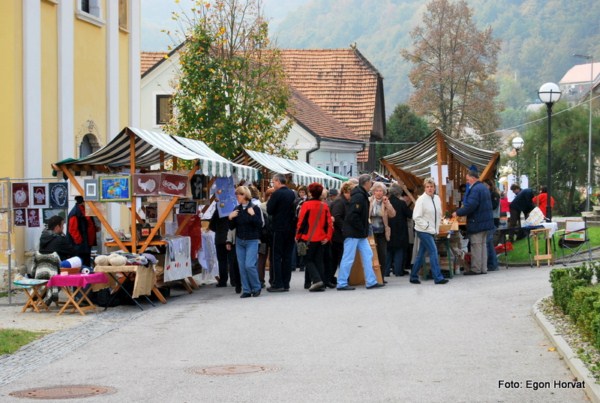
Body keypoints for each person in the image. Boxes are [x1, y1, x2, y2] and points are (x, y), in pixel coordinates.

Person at [336, 174, 385, 291]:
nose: (371, 185)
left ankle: (371, 281)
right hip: (355, 233)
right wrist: (362, 228)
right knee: (350, 257)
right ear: (366, 183)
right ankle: (342, 283)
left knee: (367, 255)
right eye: (371, 183)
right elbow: (353, 216)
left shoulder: (359, 195)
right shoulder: (359, 196)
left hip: (358, 233)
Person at [453, 171, 494, 275]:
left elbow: (471, 205)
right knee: (483, 245)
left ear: (473, 178)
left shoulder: (475, 189)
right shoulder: (484, 188)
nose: (467, 182)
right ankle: (483, 268)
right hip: (486, 221)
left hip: (477, 221)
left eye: (468, 180)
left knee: (476, 245)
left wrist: (457, 212)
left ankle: (476, 269)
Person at [410, 178, 449, 285]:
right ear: (425, 188)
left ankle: (413, 276)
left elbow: (439, 213)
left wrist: (436, 227)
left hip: (431, 230)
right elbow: (416, 217)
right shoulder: (421, 200)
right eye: (427, 187)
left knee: (421, 253)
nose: (430, 188)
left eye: (431, 186)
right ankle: (438, 277)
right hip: (423, 230)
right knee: (433, 251)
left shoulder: (437, 198)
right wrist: (427, 226)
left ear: (434, 187)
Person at [296, 183, 333, 292]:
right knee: (318, 260)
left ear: (310, 193)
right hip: (321, 237)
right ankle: (320, 282)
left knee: (307, 259)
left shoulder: (306, 205)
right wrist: (328, 237)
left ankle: (317, 280)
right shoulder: (324, 205)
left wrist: (297, 236)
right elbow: (329, 223)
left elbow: (301, 223)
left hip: (307, 237)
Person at [228, 186, 262, 298]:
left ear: (245, 195)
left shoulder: (255, 208)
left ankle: (256, 287)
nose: (237, 196)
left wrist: (252, 215)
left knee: (249, 265)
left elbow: (259, 224)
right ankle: (246, 290)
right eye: (236, 194)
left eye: (239, 194)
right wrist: (230, 218)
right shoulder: (236, 209)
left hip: (252, 240)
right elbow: (232, 227)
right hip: (240, 241)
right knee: (242, 267)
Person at [266, 173, 296, 292]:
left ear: (278, 181)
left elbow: (270, 210)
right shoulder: (292, 193)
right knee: (287, 256)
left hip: (278, 228)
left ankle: (277, 283)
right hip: (290, 228)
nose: (273, 184)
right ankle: (286, 283)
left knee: (276, 256)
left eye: (273, 182)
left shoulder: (277, 194)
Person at [330, 181, 356, 285]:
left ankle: (335, 278)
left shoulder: (342, 201)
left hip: (340, 235)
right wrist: (345, 228)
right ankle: (334, 279)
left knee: (338, 258)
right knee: (338, 258)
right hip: (338, 236)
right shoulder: (340, 202)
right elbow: (336, 217)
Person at [369, 182, 396, 282]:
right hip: (371, 232)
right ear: (373, 192)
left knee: (382, 255)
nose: (379, 193)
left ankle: (381, 277)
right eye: (376, 191)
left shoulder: (385, 202)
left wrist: (387, 204)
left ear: (384, 192)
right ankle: (372, 277)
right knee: (371, 255)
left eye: (380, 191)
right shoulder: (369, 201)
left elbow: (393, 214)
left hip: (382, 232)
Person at [386, 184, 412, 277]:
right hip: (400, 230)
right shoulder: (401, 203)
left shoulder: (386, 202)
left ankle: (386, 271)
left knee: (388, 251)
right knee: (399, 251)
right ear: (399, 192)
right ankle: (398, 271)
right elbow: (410, 215)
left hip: (389, 229)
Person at [67, 196, 97, 267]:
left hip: (86, 244)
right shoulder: (75, 213)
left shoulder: (85, 210)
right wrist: (80, 242)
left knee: (87, 264)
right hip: (80, 246)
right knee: (82, 265)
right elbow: (73, 230)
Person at [484, 179, 500, 271]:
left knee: (488, 242)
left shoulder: (494, 195)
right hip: (491, 219)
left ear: (490, 186)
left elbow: (494, 206)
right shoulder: (490, 194)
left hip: (493, 220)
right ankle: (493, 263)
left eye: (486, 185)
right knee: (489, 243)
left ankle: (492, 263)